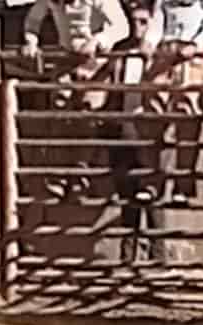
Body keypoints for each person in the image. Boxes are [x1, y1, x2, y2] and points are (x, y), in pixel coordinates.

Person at [22, 0, 130, 199]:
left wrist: (99, 40)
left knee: (87, 113)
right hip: (67, 58)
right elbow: (33, 19)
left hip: (98, 62)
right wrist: (31, 41)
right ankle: (59, 176)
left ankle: (82, 175)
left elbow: (122, 26)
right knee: (60, 110)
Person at [142, 0, 203, 203]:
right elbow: (158, 20)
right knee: (152, 113)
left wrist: (197, 44)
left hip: (193, 55)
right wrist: (150, 42)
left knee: (187, 115)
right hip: (165, 53)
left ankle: (183, 184)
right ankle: (151, 181)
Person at [106, 0, 164, 261]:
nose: (137, 28)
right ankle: (128, 253)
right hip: (123, 122)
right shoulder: (120, 50)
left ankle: (158, 252)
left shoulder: (160, 53)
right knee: (127, 190)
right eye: (133, 21)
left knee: (151, 191)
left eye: (143, 22)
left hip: (149, 126)